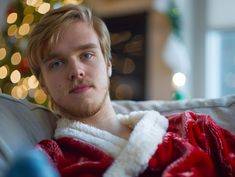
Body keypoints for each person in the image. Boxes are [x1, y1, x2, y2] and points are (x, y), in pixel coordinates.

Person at [26, 4, 235, 177]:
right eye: (56, 63)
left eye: (87, 55)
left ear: (108, 64)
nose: (76, 71)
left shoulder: (195, 130)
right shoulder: (47, 163)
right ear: (43, 83)